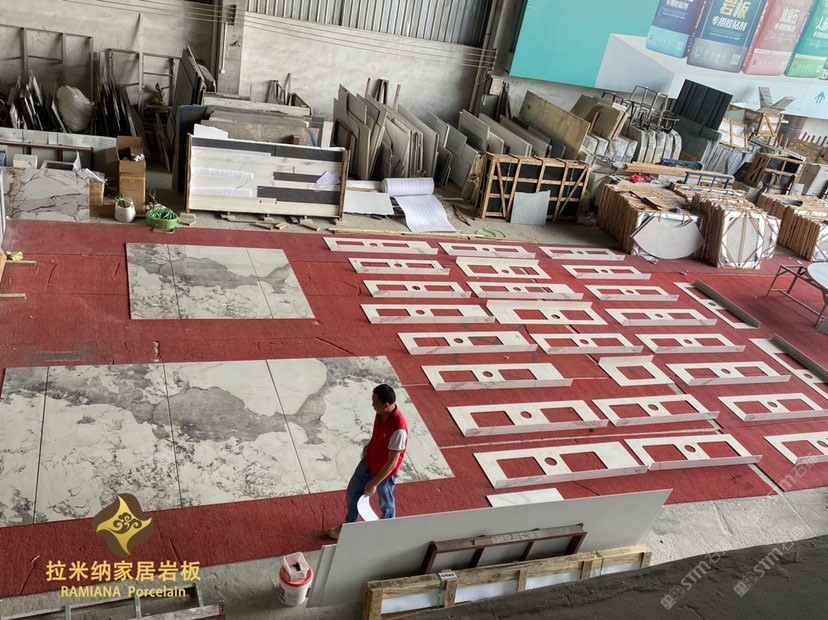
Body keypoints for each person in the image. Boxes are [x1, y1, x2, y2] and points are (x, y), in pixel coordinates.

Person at [325, 384, 408, 540]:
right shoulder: (381, 413)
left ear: (386, 405)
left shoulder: (399, 429)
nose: (372, 405)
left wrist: (374, 483)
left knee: (386, 504)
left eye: (375, 402)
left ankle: (386, 532)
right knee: (353, 492)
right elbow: (379, 434)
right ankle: (350, 526)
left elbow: (392, 462)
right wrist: (370, 445)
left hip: (385, 473)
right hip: (369, 461)